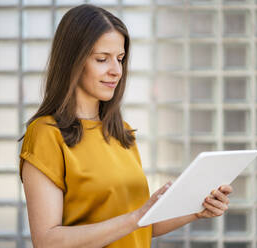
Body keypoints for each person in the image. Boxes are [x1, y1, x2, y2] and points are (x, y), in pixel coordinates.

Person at [18, 4, 232, 248]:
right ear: (72, 60)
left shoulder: (121, 133)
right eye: (102, 59)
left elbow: (141, 227)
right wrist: (135, 218)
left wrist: (196, 209)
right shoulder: (46, 133)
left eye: (120, 59)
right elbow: (47, 242)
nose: (116, 71)